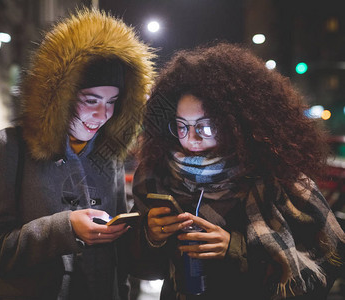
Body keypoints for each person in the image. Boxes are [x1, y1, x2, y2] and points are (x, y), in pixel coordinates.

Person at [128, 43, 345, 299]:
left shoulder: (279, 178)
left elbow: (324, 267)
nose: (192, 138)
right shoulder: (159, 178)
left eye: (205, 126)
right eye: (182, 126)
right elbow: (141, 269)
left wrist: (236, 249)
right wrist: (151, 237)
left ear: (236, 124)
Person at [0, 8, 155, 300]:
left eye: (112, 102)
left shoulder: (110, 157)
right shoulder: (4, 149)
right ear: (59, 96)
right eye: (90, 100)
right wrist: (64, 228)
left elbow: (118, 257)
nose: (102, 114)